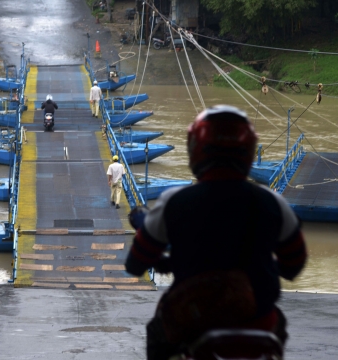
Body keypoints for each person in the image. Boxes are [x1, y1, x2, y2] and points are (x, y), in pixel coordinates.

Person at [125, 105, 307, 360]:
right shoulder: (273, 203)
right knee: (279, 324)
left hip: (193, 322)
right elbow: (294, 266)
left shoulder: (174, 202)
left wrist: (170, 262)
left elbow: (135, 263)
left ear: (195, 150)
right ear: (248, 151)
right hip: (259, 321)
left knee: (158, 333)